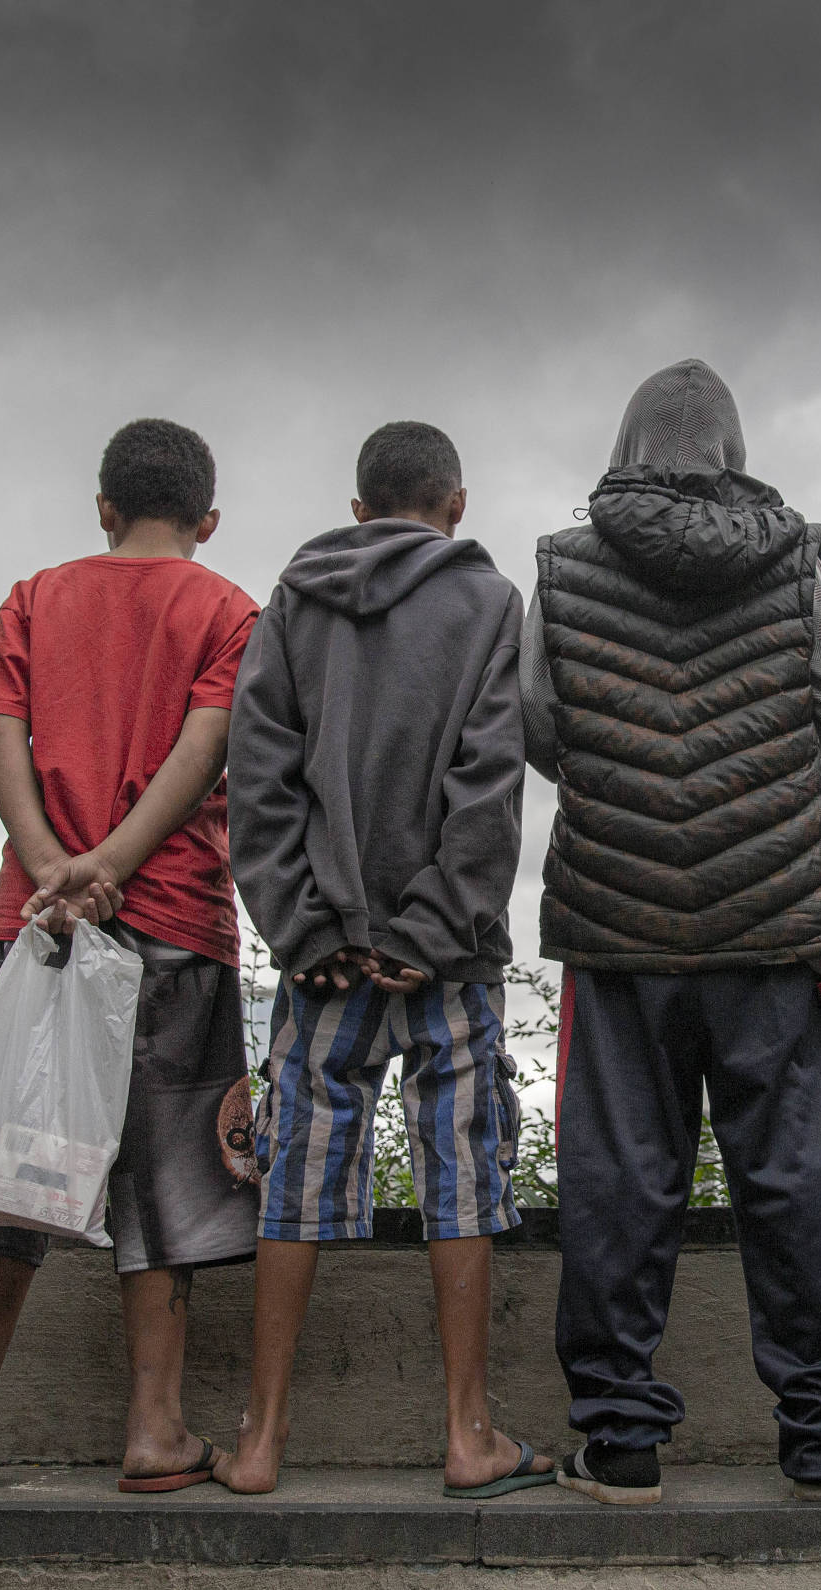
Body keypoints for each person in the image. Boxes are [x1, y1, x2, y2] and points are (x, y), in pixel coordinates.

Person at [529, 359, 821, 1505]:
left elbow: (541, 723)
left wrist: (627, 778)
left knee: (620, 1177)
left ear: (626, 445)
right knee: (793, 1177)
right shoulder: (792, 553)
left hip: (619, 919)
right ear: (733, 452)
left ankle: (623, 1439)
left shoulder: (564, 559)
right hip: (775, 920)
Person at [0, 418, 264, 1495]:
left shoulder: (34, 596)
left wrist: (58, 863)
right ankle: (155, 1432)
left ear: (103, 506)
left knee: (8, 1167)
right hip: (179, 923)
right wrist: (119, 861)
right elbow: (211, 740)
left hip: (35, 927)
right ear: (208, 518)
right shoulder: (229, 608)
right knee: (169, 1179)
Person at [221, 420, 543, 1498]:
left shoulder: (294, 599)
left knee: (296, 1183)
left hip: (325, 959)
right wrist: (436, 928)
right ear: (457, 502)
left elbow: (256, 774)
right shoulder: (492, 604)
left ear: (359, 510)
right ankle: (468, 1435)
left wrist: (304, 927)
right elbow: (490, 780)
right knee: (461, 1175)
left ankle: (261, 1441)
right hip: (443, 960)